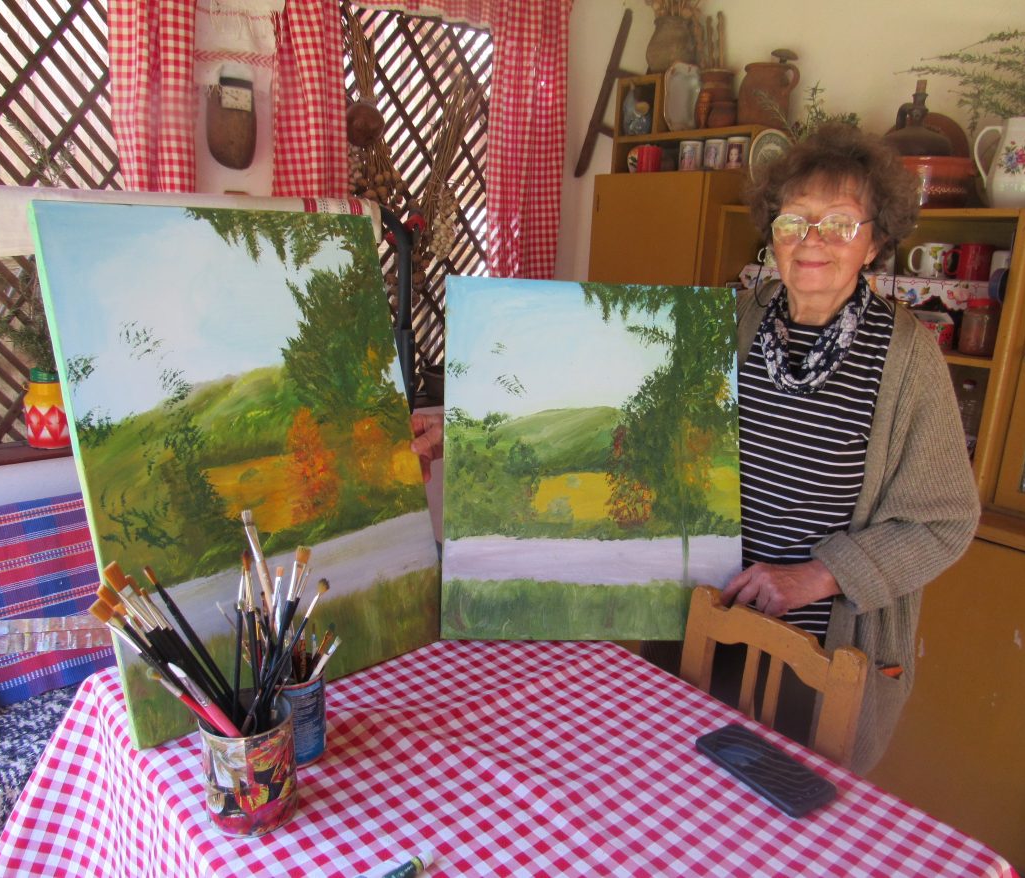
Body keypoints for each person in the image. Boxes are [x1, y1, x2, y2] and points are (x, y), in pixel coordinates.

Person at [411, 123, 979, 774]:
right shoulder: (728, 324)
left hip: (823, 654)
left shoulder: (906, 362)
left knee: (791, 807)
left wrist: (819, 575)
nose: (812, 240)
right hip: (705, 624)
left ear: (875, 240)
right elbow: (612, 405)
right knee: (679, 783)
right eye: (794, 220)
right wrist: (464, 424)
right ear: (771, 232)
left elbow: (943, 522)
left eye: (839, 224)